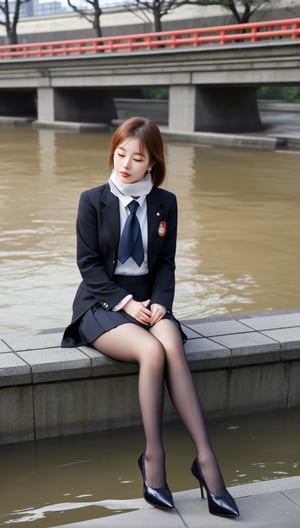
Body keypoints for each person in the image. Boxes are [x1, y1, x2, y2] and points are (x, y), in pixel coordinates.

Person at [61, 116, 239, 518]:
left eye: (136, 157)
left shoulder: (165, 203)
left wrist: (161, 301)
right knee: (152, 352)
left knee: (171, 343)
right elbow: (88, 266)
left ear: (152, 163)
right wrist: (125, 303)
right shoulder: (93, 200)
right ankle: (153, 461)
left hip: (149, 300)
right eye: (120, 153)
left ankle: (206, 462)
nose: (125, 163)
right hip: (101, 303)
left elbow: (166, 264)